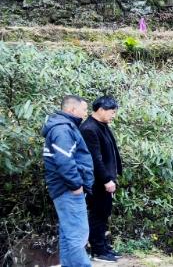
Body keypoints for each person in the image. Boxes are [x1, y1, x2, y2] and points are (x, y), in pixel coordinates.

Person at [41, 95, 95, 267]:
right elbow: (64, 161)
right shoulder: (62, 129)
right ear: (72, 109)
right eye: (84, 109)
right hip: (68, 190)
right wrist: (76, 185)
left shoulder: (64, 127)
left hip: (65, 189)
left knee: (68, 233)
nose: (86, 113)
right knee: (77, 234)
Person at [80, 95, 123, 263]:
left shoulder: (102, 125)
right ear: (101, 110)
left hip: (105, 179)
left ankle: (103, 246)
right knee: (98, 214)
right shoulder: (89, 129)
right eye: (112, 112)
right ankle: (97, 250)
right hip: (98, 181)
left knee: (104, 213)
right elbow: (95, 159)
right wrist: (106, 180)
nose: (114, 115)